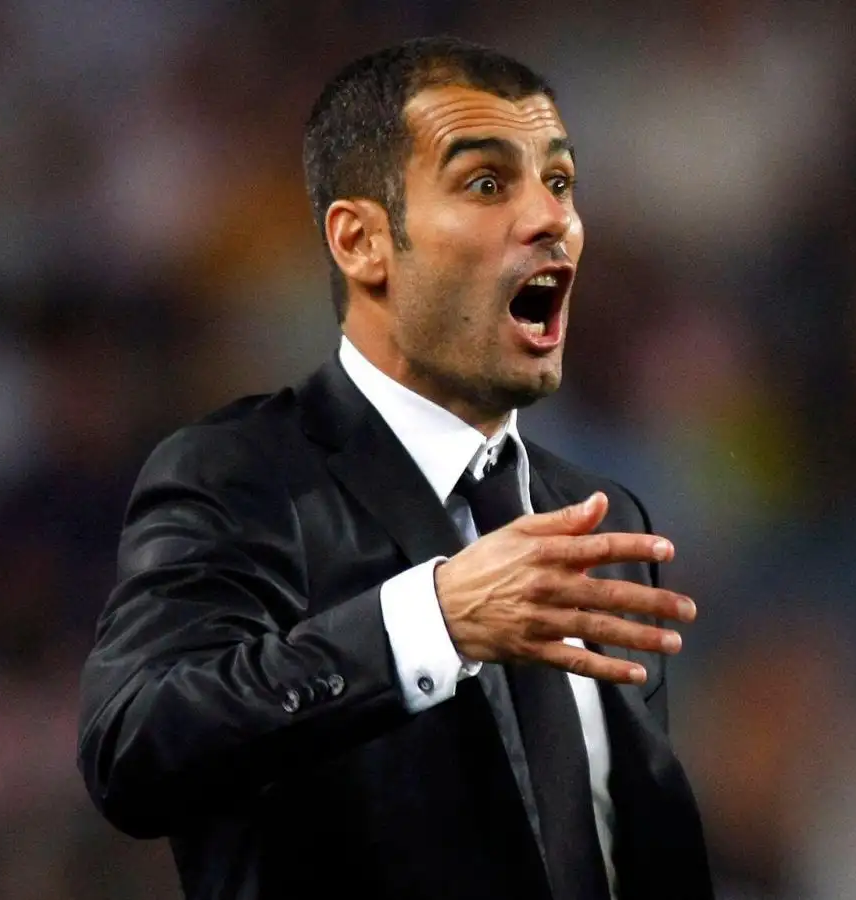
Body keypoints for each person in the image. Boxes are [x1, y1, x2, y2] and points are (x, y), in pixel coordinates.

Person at [77, 37, 712, 900]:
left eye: (558, 183)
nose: (550, 218)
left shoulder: (604, 520)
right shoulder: (241, 478)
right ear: (362, 241)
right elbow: (135, 745)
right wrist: (433, 622)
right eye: (487, 183)